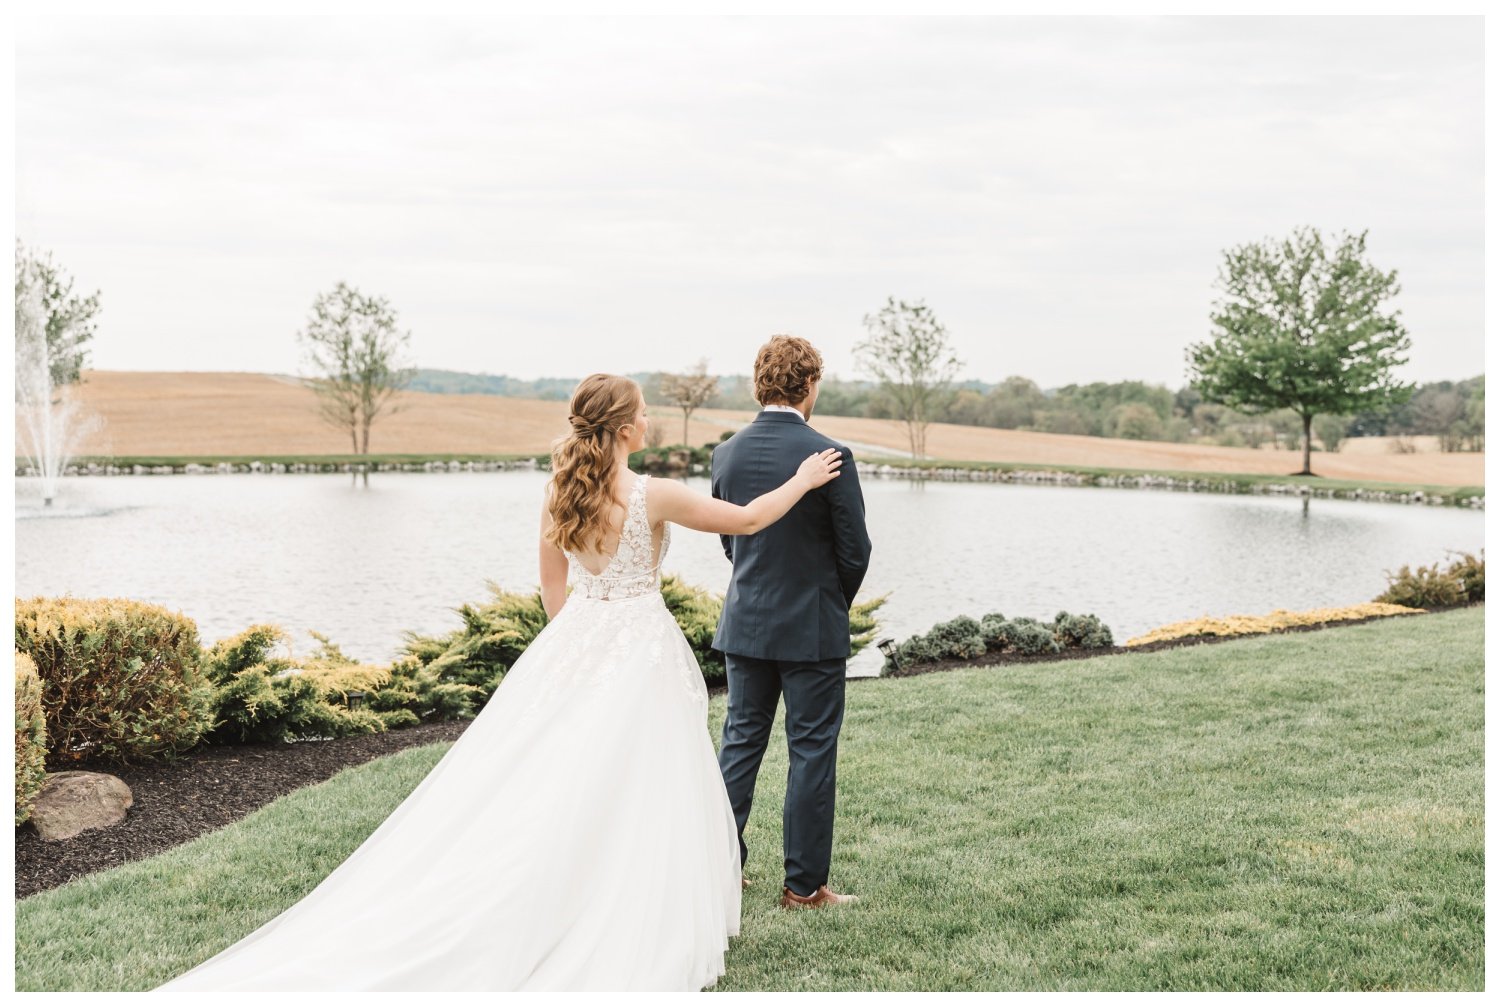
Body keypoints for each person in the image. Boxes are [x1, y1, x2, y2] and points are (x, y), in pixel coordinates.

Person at [154, 373, 843, 992]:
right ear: (628, 427)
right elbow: (750, 520)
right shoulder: (650, 493)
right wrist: (805, 479)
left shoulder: (560, 491)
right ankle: (616, 900)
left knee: (567, 774)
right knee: (641, 774)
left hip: (579, 640)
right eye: (642, 414)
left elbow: (553, 587)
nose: (648, 423)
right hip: (639, 644)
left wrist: (582, 642)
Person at [711, 335, 873, 910]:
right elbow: (855, 551)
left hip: (746, 623)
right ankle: (804, 888)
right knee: (810, 751)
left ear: (761, 385)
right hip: (811, 627)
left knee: (740, 744)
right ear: (809, 385)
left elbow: (733, 541)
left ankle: (720, 872)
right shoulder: (831, 456)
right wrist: (831, 601)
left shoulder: (724, 454)